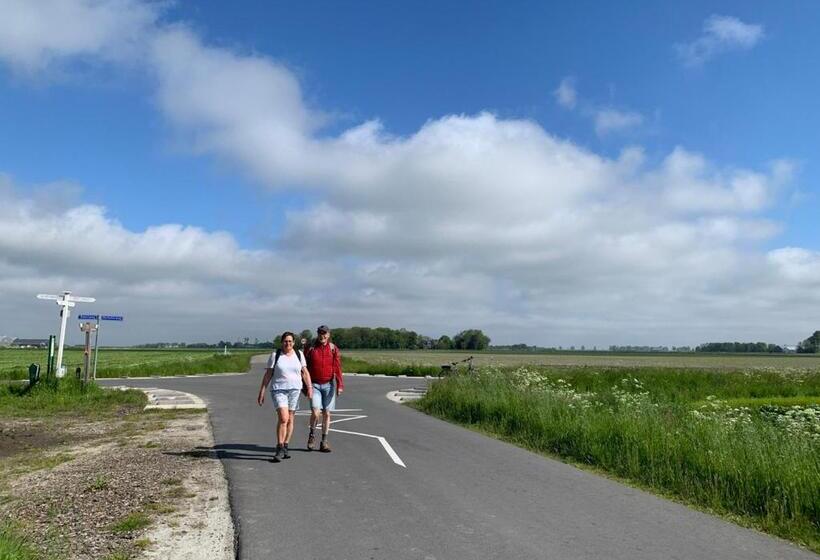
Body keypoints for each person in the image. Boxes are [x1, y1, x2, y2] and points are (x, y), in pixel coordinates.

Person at [257, 332, 313, 462]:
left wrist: (309, 388)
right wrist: (262, 391)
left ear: (294, 342)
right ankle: (279, 446)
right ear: (282, 342)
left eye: (290, 341)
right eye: (285, 341)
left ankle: (286, 445)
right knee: (283, 418)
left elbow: (305, 373)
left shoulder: (299, 355)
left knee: (290, 418)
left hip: (295, 389)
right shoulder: (275, 355)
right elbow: (268, 374)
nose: (288, 343)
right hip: (279, 390)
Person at [302, 325, 344, 452]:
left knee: (327, 413)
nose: (322, 336)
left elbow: (337, 368)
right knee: (315, 412)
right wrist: (305, 386)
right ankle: (312, 435)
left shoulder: (333, 349)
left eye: (325, 333)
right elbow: (303, 369)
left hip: (329, 385)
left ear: (329, 335)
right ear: (317, 334)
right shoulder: (310, 348)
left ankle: (324, 441)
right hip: (314, 385)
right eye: (320, 333)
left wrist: (340, 385)